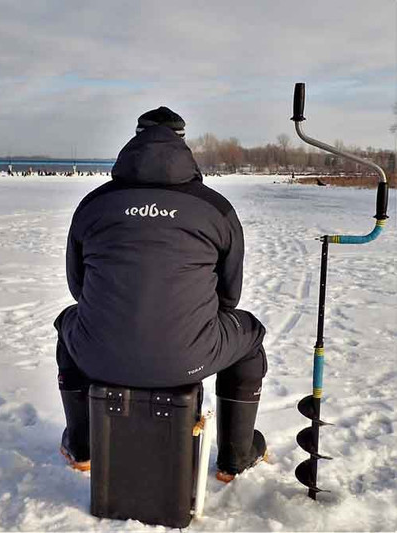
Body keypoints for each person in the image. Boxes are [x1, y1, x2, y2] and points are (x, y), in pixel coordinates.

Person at [55, 106, 267, 481]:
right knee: (248, 336)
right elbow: (229, 296)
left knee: (69, 325)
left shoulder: (94, 204)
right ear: (184, 144)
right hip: (191, 357)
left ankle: (82, 446)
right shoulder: (215, 208)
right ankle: (235, 457)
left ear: (135, 139)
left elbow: (78, 287)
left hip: (99, 354)